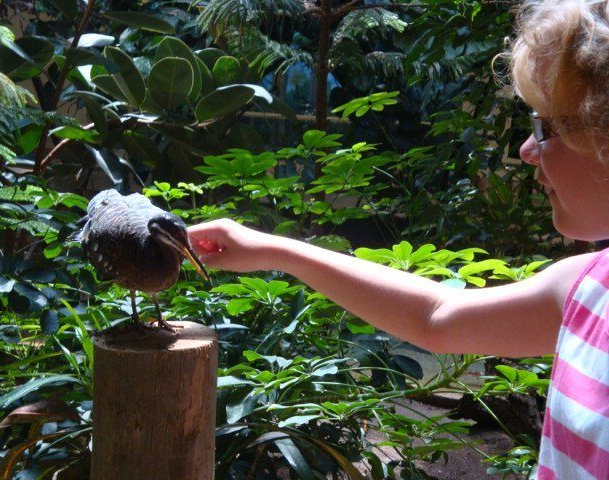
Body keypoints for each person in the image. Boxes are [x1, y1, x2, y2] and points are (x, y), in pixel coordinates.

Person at [188, 1, 609, 477]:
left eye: (549, 125)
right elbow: (436, 315)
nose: (528, 149)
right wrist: (274, 250)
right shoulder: (587, 287)